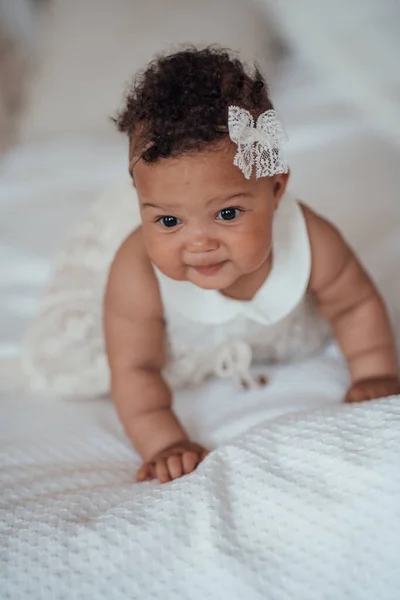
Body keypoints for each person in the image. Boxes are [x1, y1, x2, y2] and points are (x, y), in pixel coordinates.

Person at [24, 47, 400, 483]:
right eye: (168, 220)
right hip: (180, 344)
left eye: (228, 214)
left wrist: (376, 373)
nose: (200, 243)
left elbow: (353, 305)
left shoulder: (311, 238)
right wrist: (164, 441)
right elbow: (135, 368)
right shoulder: (137, 271)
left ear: (275, 190)